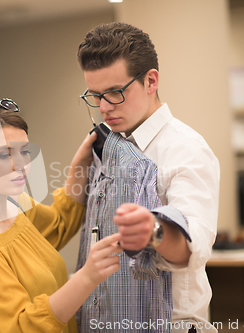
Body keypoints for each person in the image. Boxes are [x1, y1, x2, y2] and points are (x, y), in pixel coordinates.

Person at [75, 23, 220, 333]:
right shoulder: (107, 146)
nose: (103, 107)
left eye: (114, 93)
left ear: (150, 80)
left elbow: (193, 247)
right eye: (95, 95)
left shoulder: (186, 149)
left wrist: (152, 230)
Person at [0, 99, 122, 333]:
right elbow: (22, 327)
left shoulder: (14, 203)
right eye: (3, 155)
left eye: (24, 152)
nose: (20, 165)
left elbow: (60, 224)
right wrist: (87, 278)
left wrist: (80, 163)